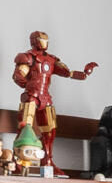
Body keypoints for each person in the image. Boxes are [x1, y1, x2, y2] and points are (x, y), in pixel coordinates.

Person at [11, 30, 97, 168]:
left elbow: (67, 72)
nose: (44, 43)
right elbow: (18, 75)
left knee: (50, 131)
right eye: (41, 39)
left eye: (46, 40)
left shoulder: (51, 59)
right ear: (34, 41)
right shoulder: (28, 57)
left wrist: (85, 73)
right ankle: (17, 161)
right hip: (32, 96)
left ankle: (47, 161)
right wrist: (28, 85)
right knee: (24, 127)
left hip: (45, 97)